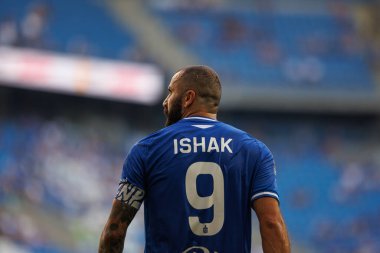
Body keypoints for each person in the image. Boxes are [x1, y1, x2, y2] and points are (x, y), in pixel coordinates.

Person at [98, 65, 290, 253]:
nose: (165, 101)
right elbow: (271, 223)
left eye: (170, 92)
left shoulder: (147, 149)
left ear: (188, 98)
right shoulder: (254, 151)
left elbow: (115, 231)